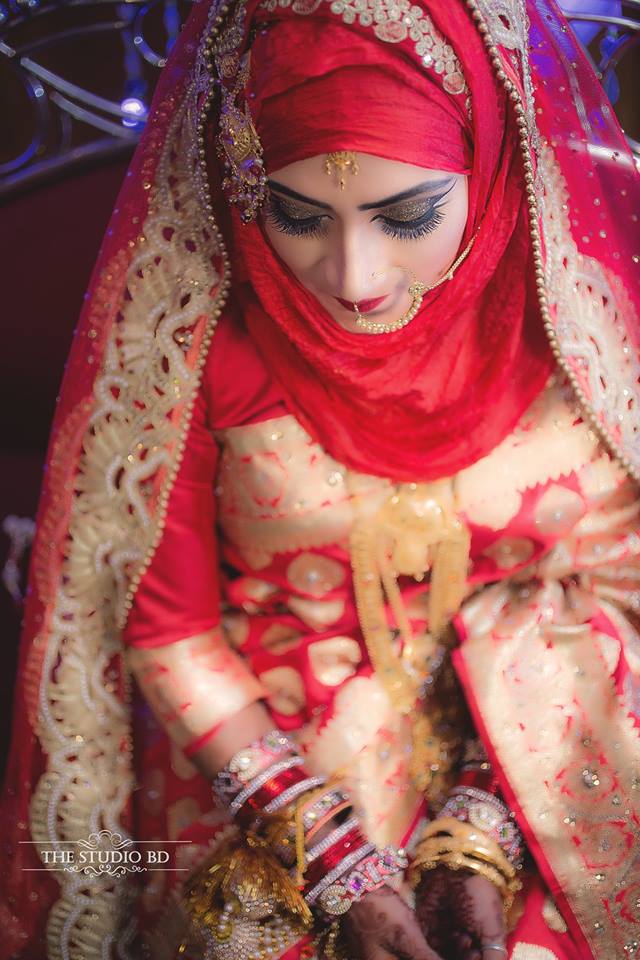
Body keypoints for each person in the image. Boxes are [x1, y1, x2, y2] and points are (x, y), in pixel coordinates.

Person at [1, 0, 639, 958]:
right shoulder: (191, 343)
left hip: (550, 727)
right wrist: (328, 852)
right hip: (263, 743)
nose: (353, 277)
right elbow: (166, 630)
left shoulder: (569, 316)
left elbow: (621, 574)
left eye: (407, 216)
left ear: (492, 165)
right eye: (298, 216)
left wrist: (484, 829)